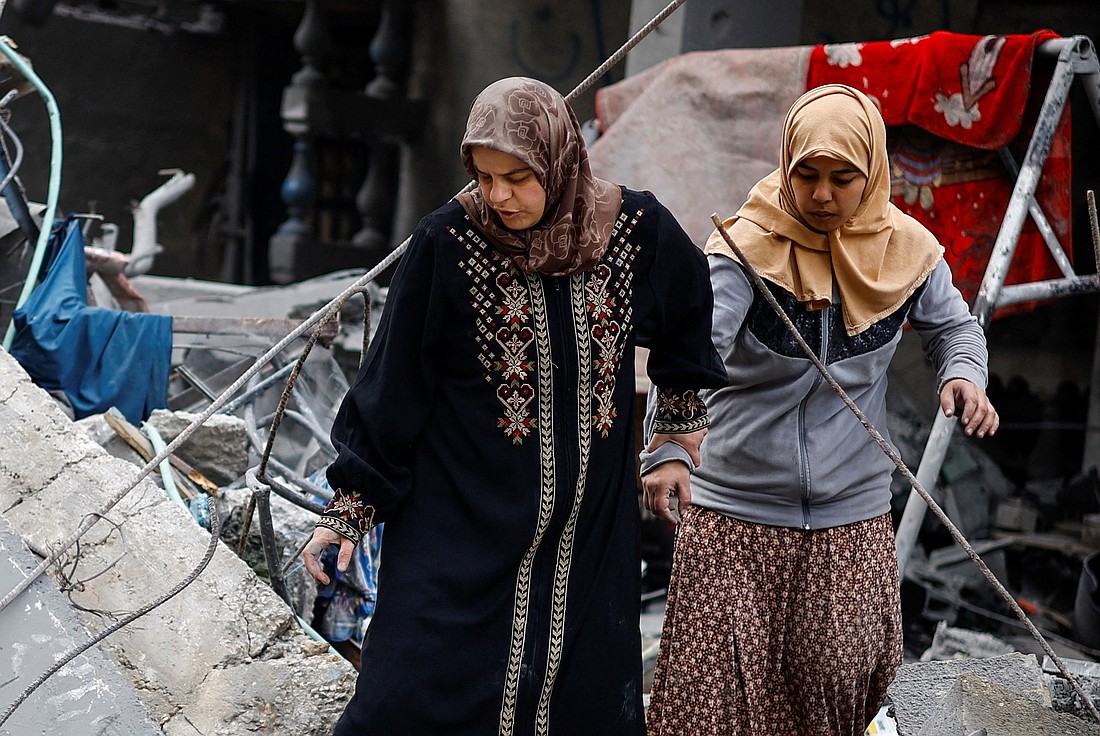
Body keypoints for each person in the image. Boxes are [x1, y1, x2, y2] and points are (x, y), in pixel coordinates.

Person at [302, 76, 726, 735]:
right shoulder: (447, 242)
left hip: (587, 544)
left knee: (578, 711)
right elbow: (394, 386)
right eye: (484, 175)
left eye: (518, 177)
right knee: (408, 700)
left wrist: (672, 437)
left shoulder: (631, 230)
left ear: (558, 162)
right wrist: (350, 509)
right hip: (459, 533)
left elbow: (686, 313)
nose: (498, 196)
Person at [640, 84, 1000, 736]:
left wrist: (964, 376)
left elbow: (956, 329)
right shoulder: (742, 253)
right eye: (806, 174)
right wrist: (668, 447)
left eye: (843, 177)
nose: (823, 194)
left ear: (873, 171)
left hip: (852, 511)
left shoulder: (907, 251)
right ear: (785, 166)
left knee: (840, 675)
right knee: (722, 702)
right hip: (735, 513)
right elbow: (687, 356)